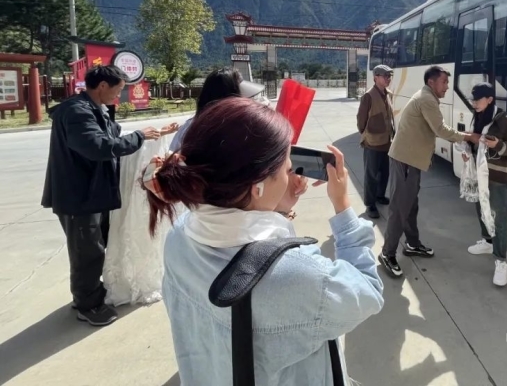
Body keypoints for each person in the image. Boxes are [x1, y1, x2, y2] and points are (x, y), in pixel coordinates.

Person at [143, 97, 384, 385]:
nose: (291, 169)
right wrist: (343, 208)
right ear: (256, 186)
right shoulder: (299, 276)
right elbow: (367, 292)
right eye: (285, 166)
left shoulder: (179, 237)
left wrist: (274, 204)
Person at [41, 65, 164, 326]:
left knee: (96, 245)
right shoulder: (77, 111)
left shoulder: (95, 108)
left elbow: (112, 136)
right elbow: (98, 146)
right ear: (103, 86)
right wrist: (139, 137)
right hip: (78, 195)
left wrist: (150, 135)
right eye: (118, 90)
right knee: (87, 252)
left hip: (92, 192)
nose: (119, 96)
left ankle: (89, 293)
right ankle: (87, 305)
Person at [379, 65, 481, 278]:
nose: (447, 87)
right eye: (444, 82)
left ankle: (412, 244)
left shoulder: (427, 97)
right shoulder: (426, 99)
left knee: (410, 206)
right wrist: (469, 136)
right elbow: (440, 130)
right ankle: (387, 254)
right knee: (400, 208)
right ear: (431, 82)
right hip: (405, 160)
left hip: (411, 160)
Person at [463, 82, 507, 287]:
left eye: (477, 100)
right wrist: (467, 150)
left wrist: (498, 145)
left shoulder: (504, 119)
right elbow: (476, 141)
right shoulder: (479, 116)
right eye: (472, 100)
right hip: (479, 175)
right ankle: (487, 242)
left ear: (489, 99)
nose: (474, 104)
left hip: (498, 177)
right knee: (480, 208)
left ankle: (501, 262)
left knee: (498, 218)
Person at [170, 67, 265, 152]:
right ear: (230, 99)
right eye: (242, 98)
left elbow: (171, 157)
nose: (247, 101)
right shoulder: (245, 131)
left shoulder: (189, 129)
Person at [356, 64, 395, 219]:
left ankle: (380, 195)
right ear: (375, 78)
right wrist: (366, 133)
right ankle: (370, 204)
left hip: (386, 141)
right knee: (371, 175)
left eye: (389, 76)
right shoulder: (368, 96)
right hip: (372, 142)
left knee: (384, 172)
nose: (388, 79)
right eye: (385, 76)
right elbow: (361, 119)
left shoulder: (389, 94)